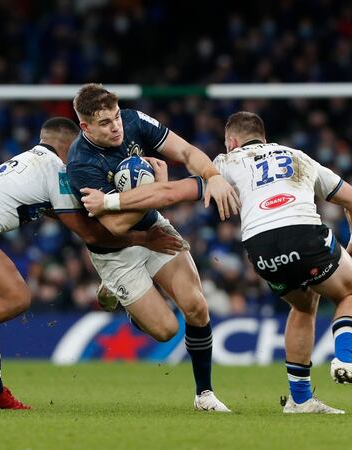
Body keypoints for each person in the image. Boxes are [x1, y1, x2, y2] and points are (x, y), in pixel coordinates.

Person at [81, 111, 352, 414]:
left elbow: (171, 192)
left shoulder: (225, 164)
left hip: (260, 249)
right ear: (263, 137)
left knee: (302, 305)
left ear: (231, 141)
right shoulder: (299, 157)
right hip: (304, 233)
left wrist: (108, 200)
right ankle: (346, 359)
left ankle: (300, 399)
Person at [0, 117, 183, 408]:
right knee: (16, 296)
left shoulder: (33, 161)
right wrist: (143, 238)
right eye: (78, 147)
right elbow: (89, 232)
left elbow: (64, 214)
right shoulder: (57, 170)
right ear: (68, 145)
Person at [66, 83, 239, 412]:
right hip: (115, 248)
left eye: (116, 117)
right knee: (166, 330)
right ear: (85, 127)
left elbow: (186, 152)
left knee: (196, 306)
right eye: (105, 123)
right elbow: (116, 226)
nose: (116, 126)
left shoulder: (133, 120)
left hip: (153, 226)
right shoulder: (80, 163)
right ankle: (122, 297)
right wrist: (158, 189)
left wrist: (212, 175)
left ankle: (205, 395)